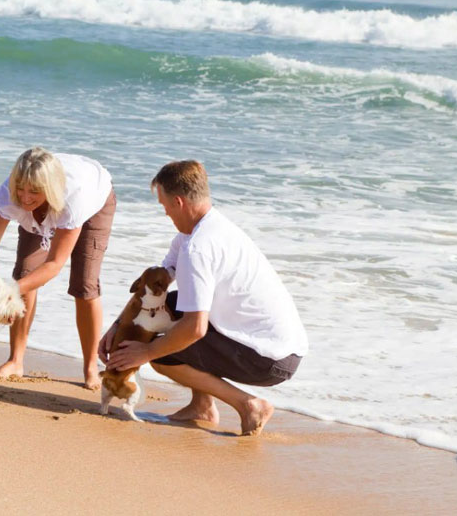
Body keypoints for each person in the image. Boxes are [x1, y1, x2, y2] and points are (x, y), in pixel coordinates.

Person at [101, 160, 308, 435]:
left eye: (164, 207)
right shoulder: (202, 231)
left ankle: (249, 405)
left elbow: (195, 328)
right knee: (173, 305)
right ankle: (202, 407)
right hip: (279, 346)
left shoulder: (198, 248)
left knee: (164, 354)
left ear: (178, 203)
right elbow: (156, 284)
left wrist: (147, 352)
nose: (165, 214)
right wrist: (118, 325)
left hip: (269, 359)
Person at [0, 147, 116, 390]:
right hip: (53, 200)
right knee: (25, 274)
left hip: (95, 204)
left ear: (48, 189)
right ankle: (15, 361)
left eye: (34, 191)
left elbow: (54, 264)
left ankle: (91, 367)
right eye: (21, 188)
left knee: (84, 285)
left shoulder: (76, 200)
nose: (26, 197)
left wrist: (7, 293)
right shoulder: (11, 193)